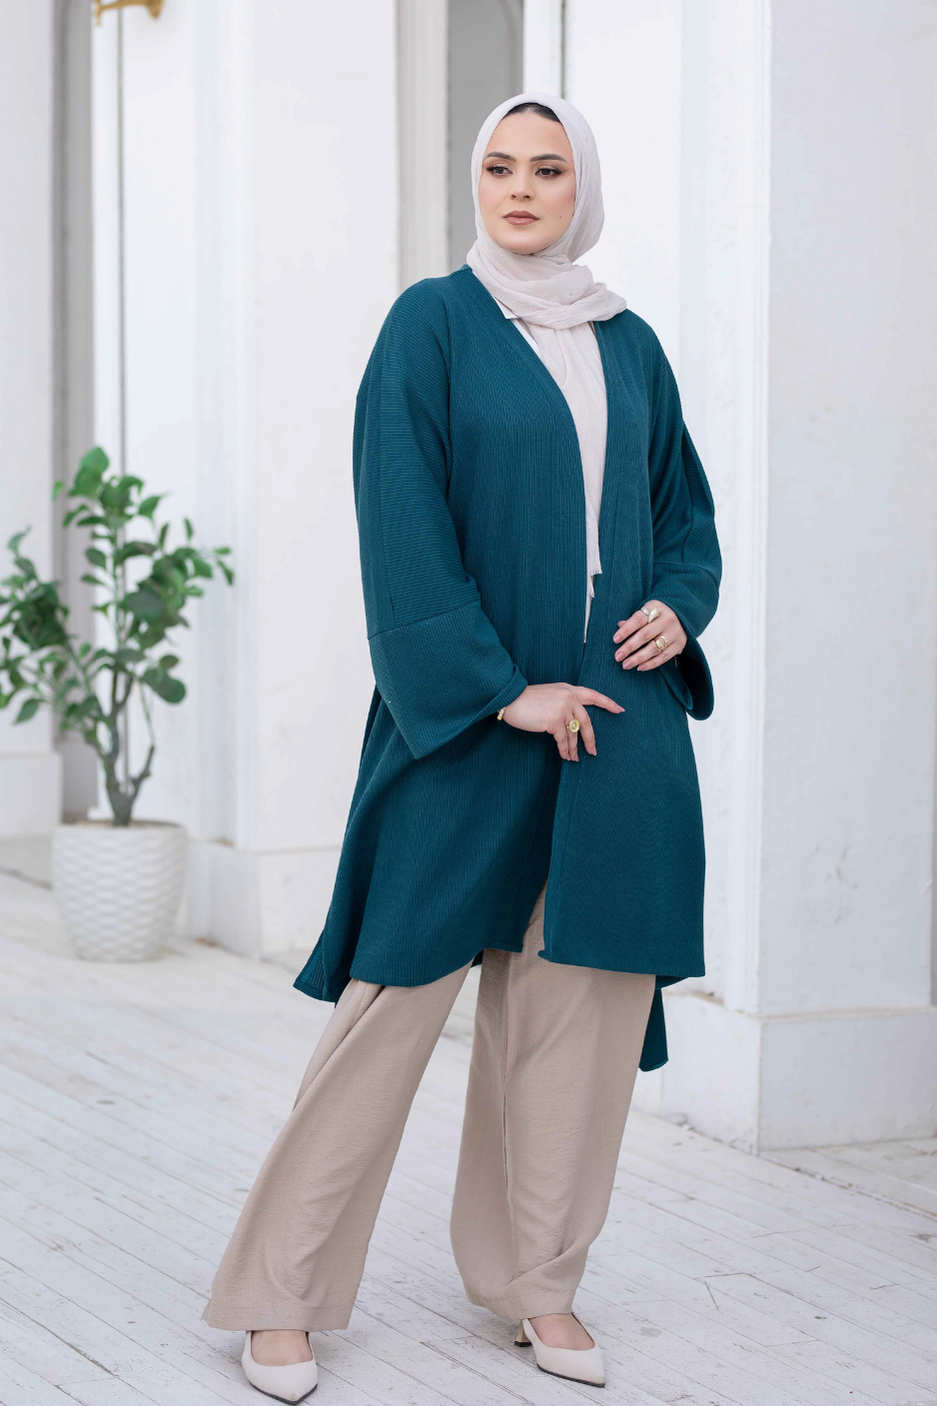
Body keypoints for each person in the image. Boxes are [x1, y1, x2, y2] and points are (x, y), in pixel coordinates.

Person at [202, 90, 721, 1401]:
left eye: (549, 168)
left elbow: (683, 516)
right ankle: (281, 1292)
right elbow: (403, 526)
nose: (522, 188)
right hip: (479, 726)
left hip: (618, 735)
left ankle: (536, 1281)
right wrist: (503, 691)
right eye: (499, 166)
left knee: (581, 1022)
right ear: (475, 182)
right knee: (387, 1014)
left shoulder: (632, 343)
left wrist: (677, 603)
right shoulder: (431, 329)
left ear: (581, 186)